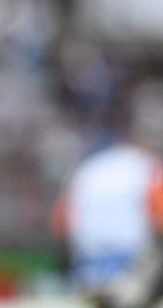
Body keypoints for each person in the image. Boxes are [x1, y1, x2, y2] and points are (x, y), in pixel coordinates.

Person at [52, 81, 163, 307]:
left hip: (86, 268)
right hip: (135, 271)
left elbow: (61, 224)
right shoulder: (149, 168)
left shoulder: (88, 168)